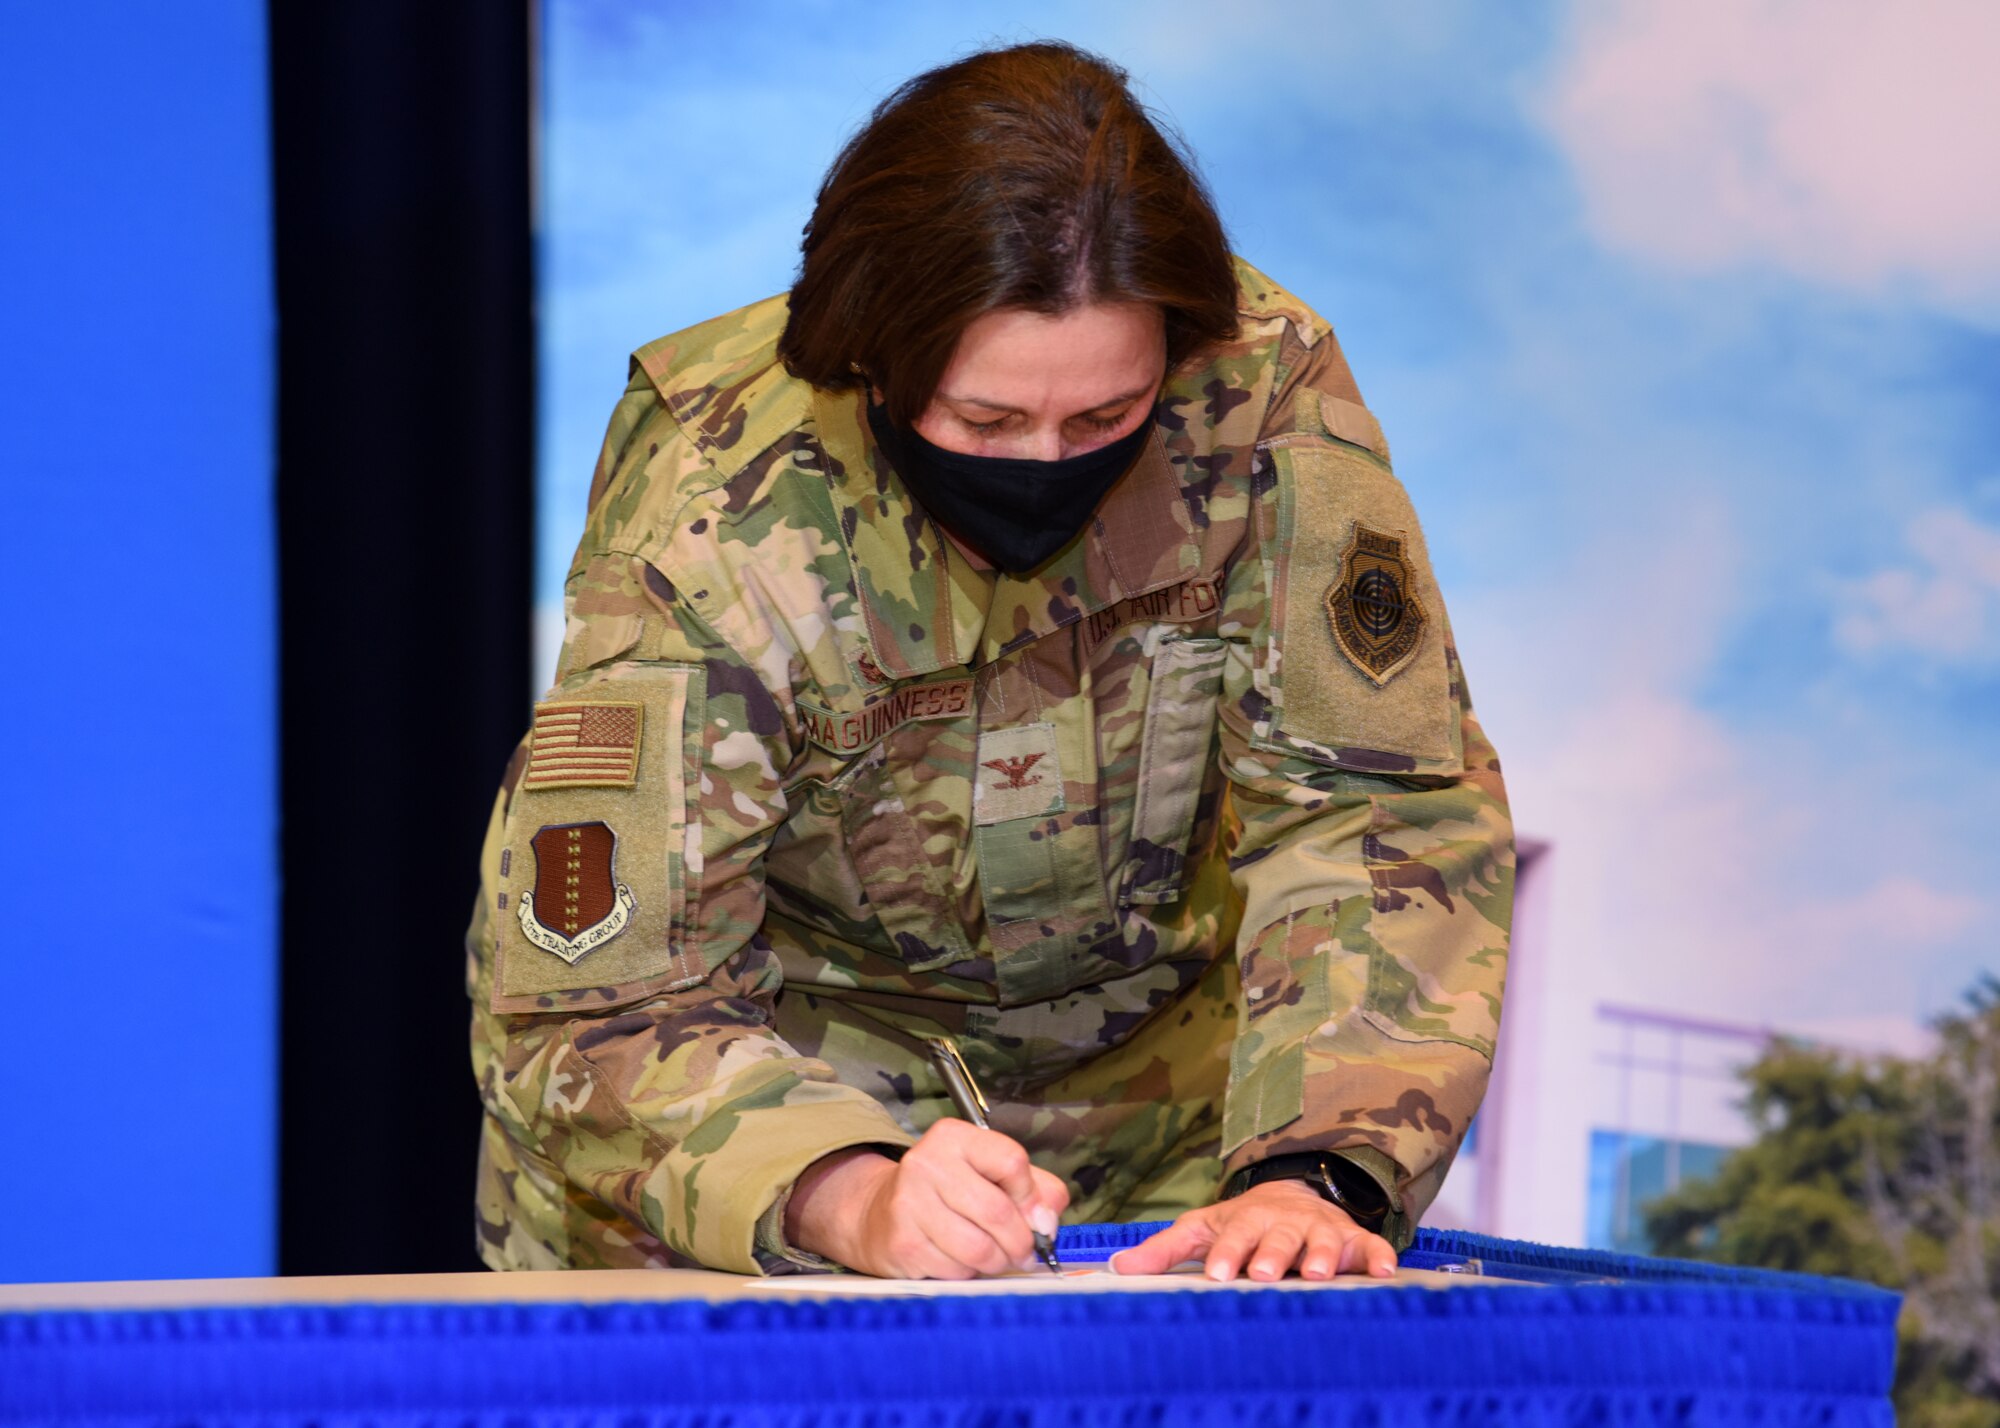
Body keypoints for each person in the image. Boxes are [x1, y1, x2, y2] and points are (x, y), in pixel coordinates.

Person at [467, 40, 1512, 1283]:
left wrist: (1314, 1172)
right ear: (874, 362)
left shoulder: (1258, 399)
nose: (1044, 463)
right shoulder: (720, 499)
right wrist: (845, 1193)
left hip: (1174, 1178)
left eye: (1104, 419)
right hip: (747, 1159)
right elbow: (595, 992)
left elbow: (1374, 816)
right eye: (986, 422)